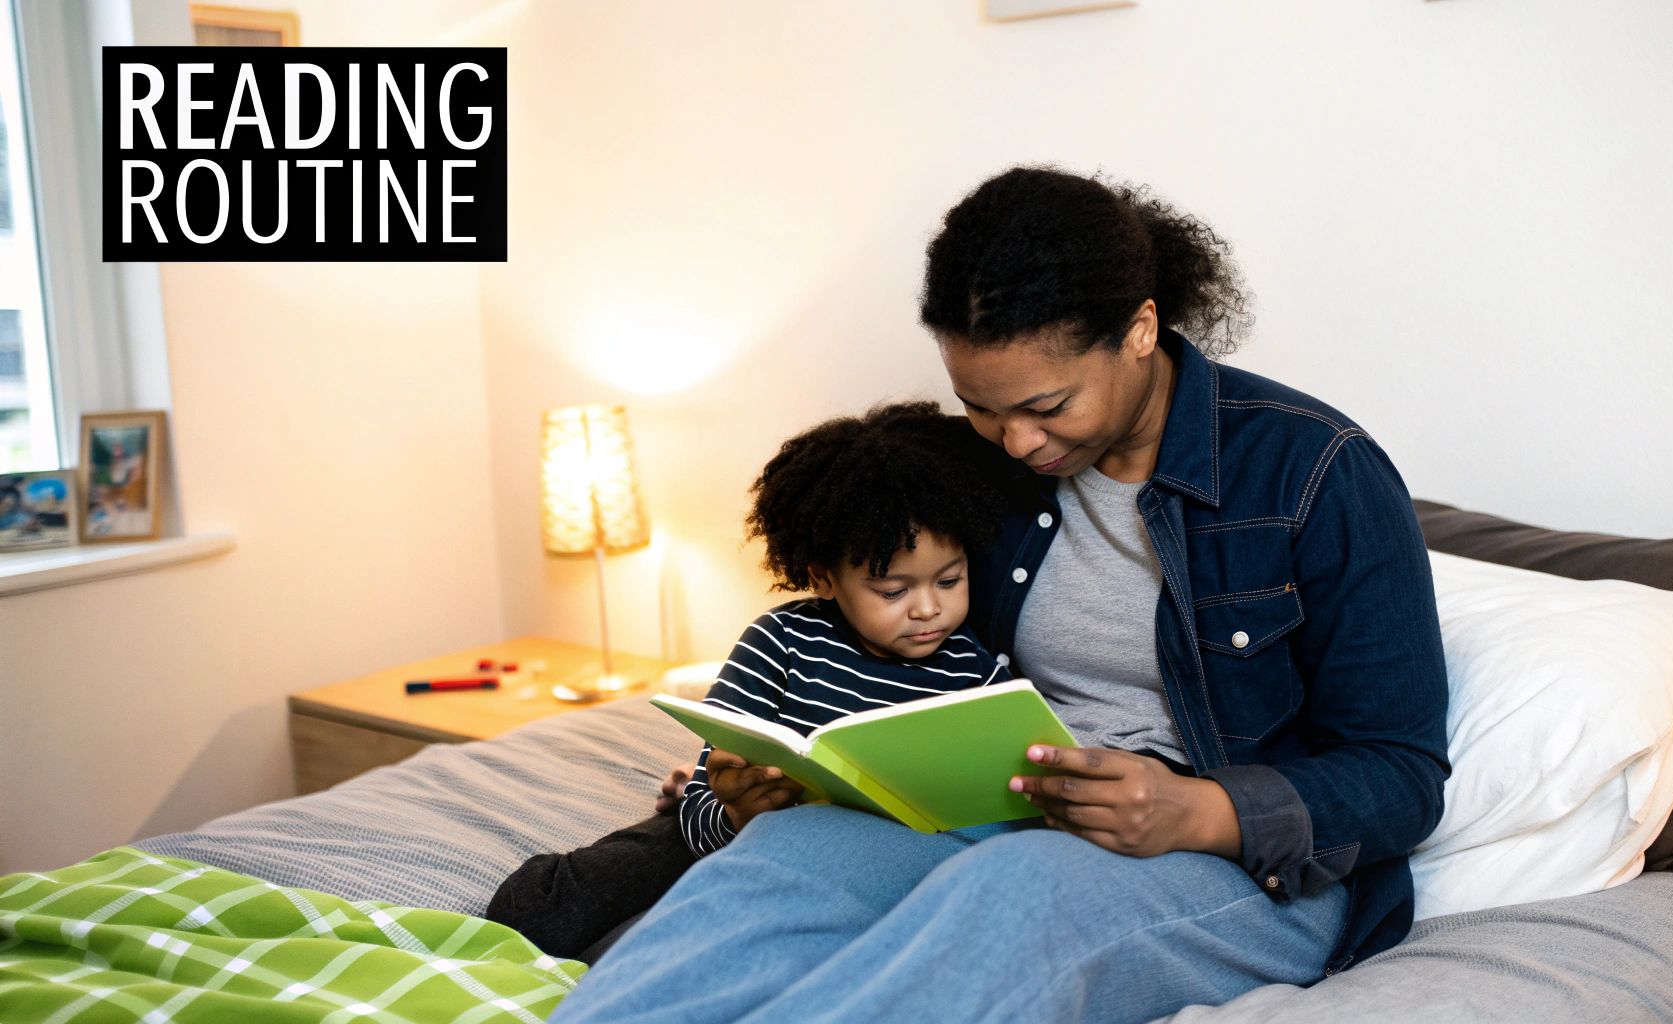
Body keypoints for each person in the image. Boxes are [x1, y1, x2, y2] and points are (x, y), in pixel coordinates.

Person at [554, 167, 1450, 1024]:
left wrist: (1199, 808)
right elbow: (887, 623)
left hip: (1238, 867)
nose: (1015, 442)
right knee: (788, 859)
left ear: (1140, 331)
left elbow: (1400, 773)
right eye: (981, 407)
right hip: (1005, 813)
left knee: (1014, 895)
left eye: (1048, 405)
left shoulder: (1316, 471)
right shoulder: (982, 471)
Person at [486, 401, 1012, 963]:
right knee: (542, 912)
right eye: (893, 591)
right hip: (745, 828)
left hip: (876, 851)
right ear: (824, 577)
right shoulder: (781, 641)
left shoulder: (975, 668)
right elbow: (699, 807)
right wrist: (736, 813)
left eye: (950, 580)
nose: (929, 608)